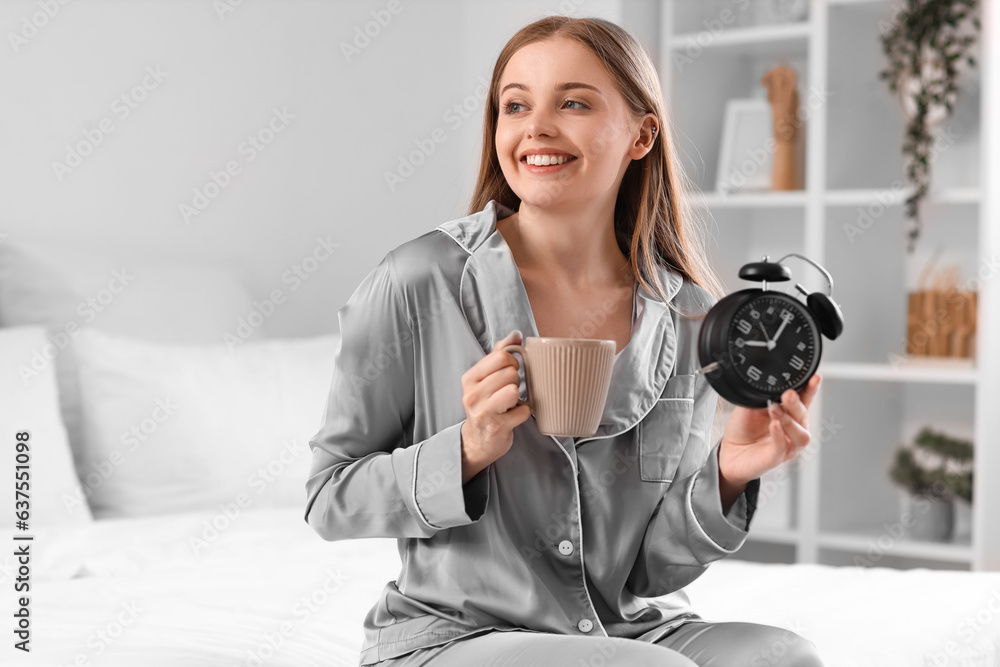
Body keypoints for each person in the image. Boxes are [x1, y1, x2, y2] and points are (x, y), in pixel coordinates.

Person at [305, 14, 824, 667]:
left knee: (785, 656)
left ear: (642, 134)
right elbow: (329, 497)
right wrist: (464, 450)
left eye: (573, 102)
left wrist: (728, 470)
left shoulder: (688, 311)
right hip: (456, 634)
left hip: (627, 631)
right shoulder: (416, 279)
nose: (536, 127)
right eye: (515, 105)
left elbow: (648, 570)